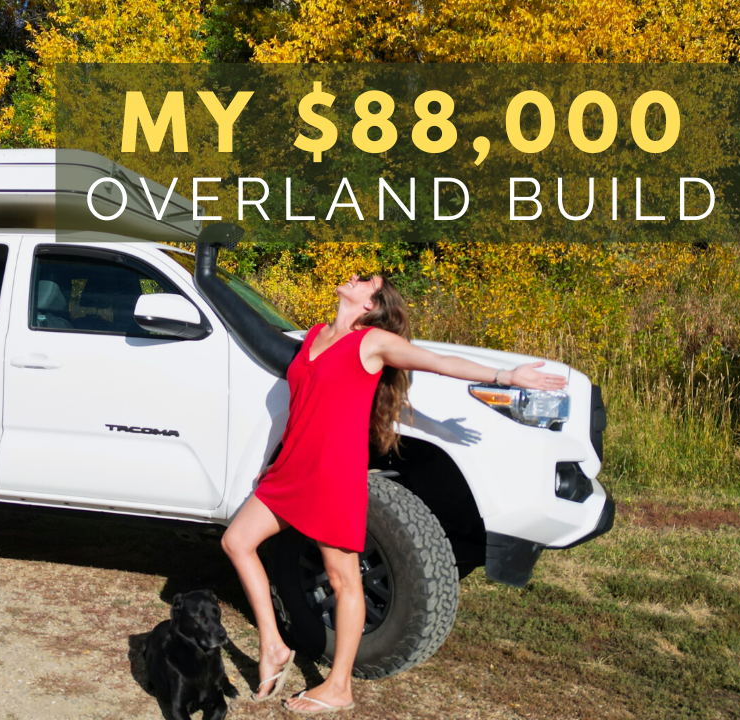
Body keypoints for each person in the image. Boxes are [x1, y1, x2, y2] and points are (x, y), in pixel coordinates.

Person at [220, 272, 568, 714]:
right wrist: (278, 457)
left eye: (366, 279)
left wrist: (507, 374)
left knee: (345, 580)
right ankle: (273, 645)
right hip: (291, 469)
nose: (354, 276)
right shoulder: (314, 336)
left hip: (331, 476)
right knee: (236, 541)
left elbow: (437, 361)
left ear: (371, 303)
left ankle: (339, 687)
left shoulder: (373, 342)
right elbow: (304, 403)